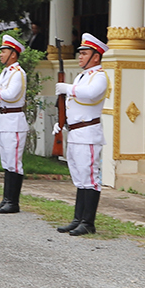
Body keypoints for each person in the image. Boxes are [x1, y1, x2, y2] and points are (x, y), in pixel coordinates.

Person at [54, 33, 109, 236]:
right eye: (80, 53)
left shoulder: (100, 76)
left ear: (96, 56)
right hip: (76, 133)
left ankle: (88, 222)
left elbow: (91, 93)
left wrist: (68, 88)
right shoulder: (82, 76)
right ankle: (78, 218)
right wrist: (62, 123)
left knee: (90, 178)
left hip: (88, 133)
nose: (80, 57)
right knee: (79, 178)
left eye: (84, 53)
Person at [0, 34, 27, 214]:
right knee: (6, 161)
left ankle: (13, 202)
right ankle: (6, 199)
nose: (1, 54)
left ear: (13, 54)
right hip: (4, 121)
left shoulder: (19, 73)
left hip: (14, 122)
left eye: (4, 51)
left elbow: (11, 95)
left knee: (14, 163)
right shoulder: (6, 72)